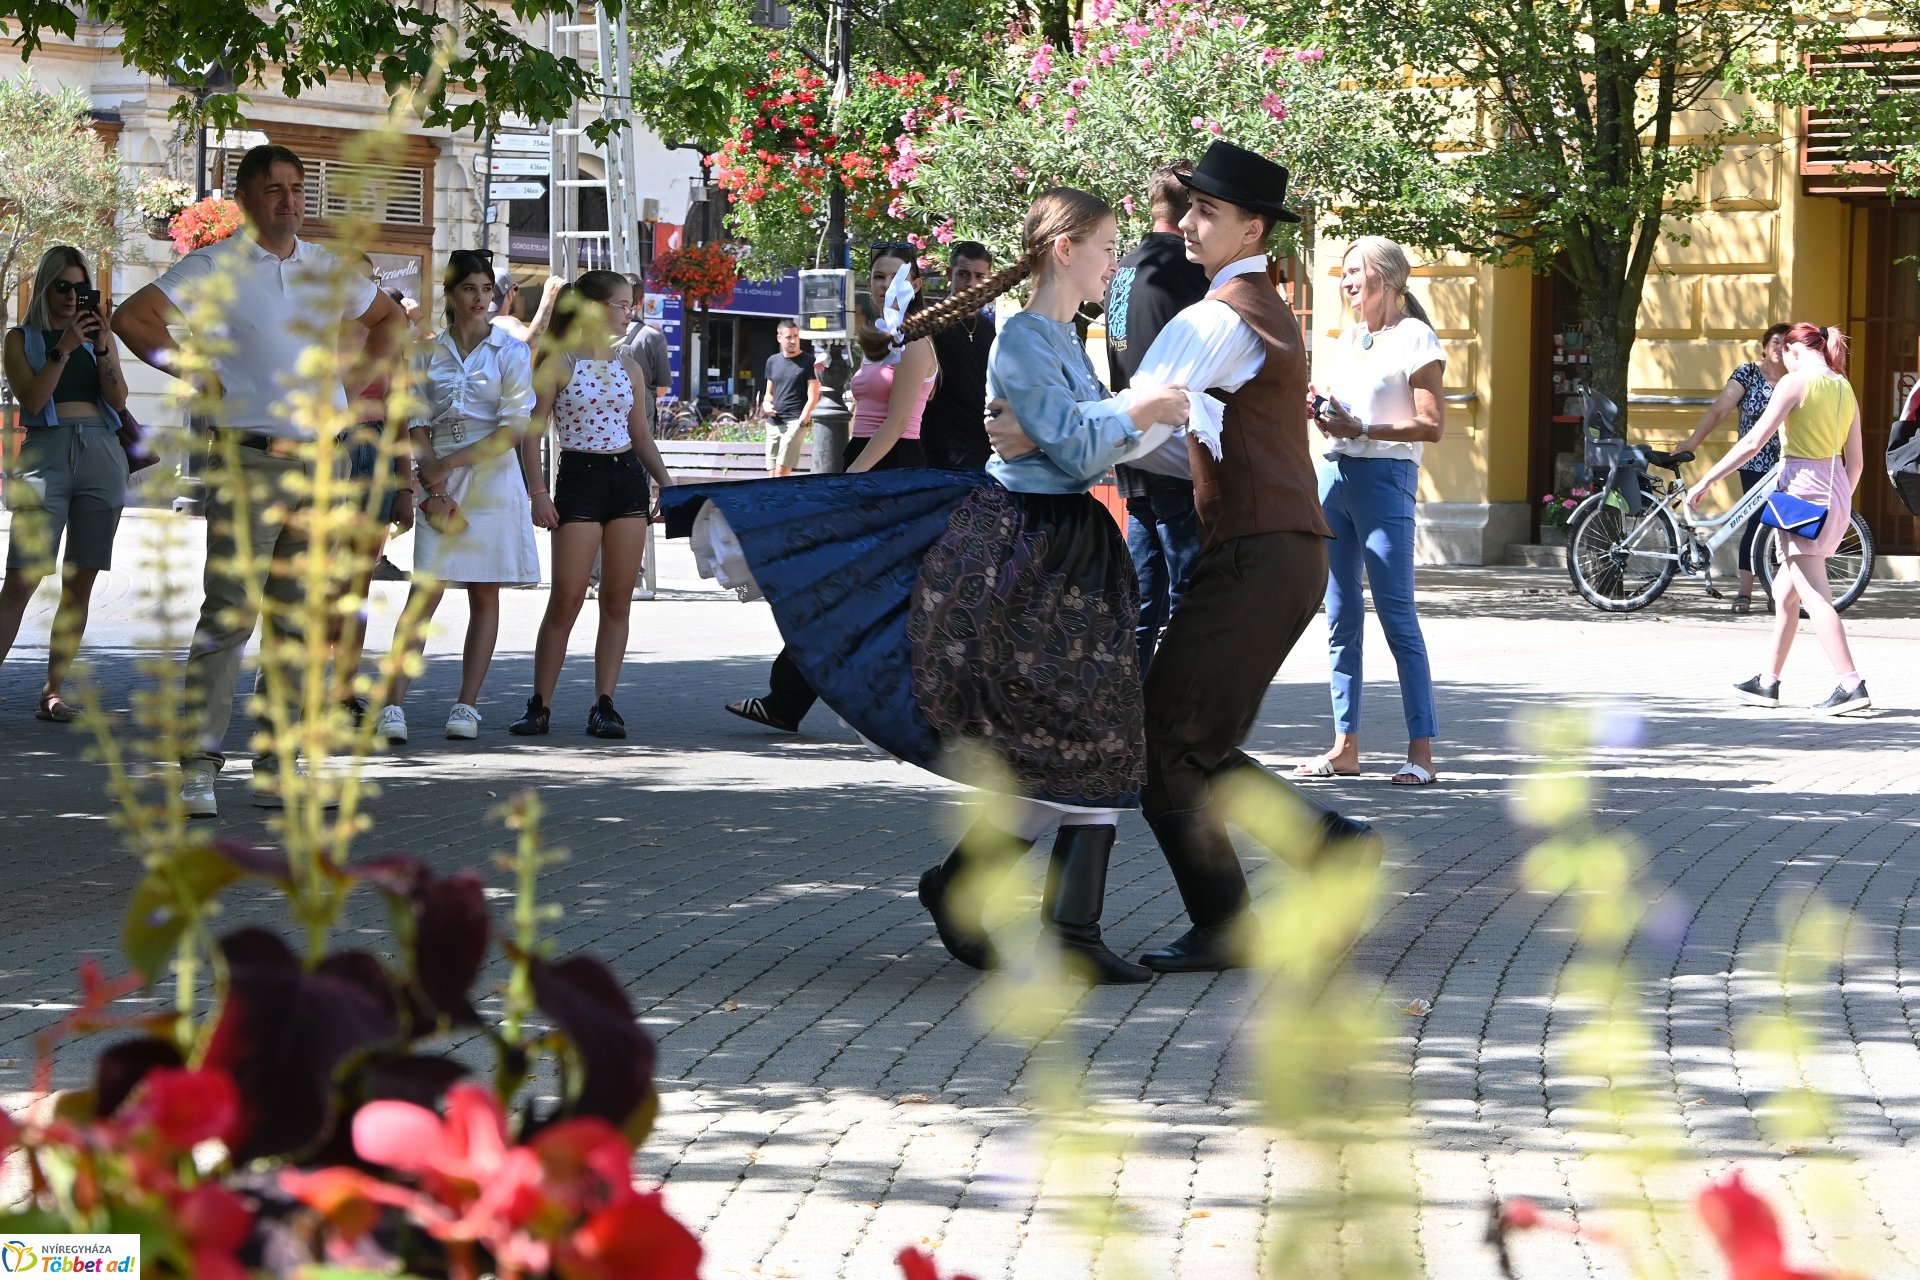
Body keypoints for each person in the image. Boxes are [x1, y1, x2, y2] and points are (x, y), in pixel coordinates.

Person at [668, 189, 1193, 984]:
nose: (1115, 261)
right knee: (1078, 736)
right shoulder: (1022, 337)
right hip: (1032, 550)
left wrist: (1099, 422)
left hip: (1072, 550)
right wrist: (1136, 408)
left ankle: (1003, 903)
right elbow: (1084, 454)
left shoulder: (1057, 337)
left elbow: (1076, 442)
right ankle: (1044, 922)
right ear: (1064, 249)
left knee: (1090, 738)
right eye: (1107, 246)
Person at [987, 143, 1379, 974]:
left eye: (1207, 213)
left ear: (1253, 227)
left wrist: (1039, 425)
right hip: (1271, 551)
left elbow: (1139, 419)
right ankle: (1315, 854)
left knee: (1163, 740)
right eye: (1188, 208)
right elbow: (1157, 429)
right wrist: (1064, 421)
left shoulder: (1214, 317)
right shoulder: (1253, 305)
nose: (1188, 223)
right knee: (1184, 743)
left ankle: (1256, 903)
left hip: (1259, 555)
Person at [114, 144, 404, 819]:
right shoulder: (215, 265)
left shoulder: (325, 268)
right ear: (244, 198)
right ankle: (198, 765)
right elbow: (134, 318)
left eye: (297, 188)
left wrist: (349, 388)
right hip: (249, 461)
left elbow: (391, 321)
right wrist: (196, 374)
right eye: (274, 189)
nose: (289, 200)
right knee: (228, 614)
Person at [724, 246, 938, 733]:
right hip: (868, 463)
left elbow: (899, 422)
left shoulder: (916, 340)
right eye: (877, 277)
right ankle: (790, 699)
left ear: (917, 285)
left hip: (890, 470)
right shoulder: (883, 338)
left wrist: (854, 479)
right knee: (840, 592)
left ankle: (797, 699)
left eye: (894, 277)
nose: (884, 285)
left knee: (853, 593)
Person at [375, 250, 545, 744]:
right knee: (424, 589)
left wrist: (445, 466)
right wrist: (431, 477)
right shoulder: (426, 352)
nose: (480, 299)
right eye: (469, 289)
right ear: (450, 293)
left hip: (490, 479)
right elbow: (414, 416)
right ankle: (392, 705)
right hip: (436, 479)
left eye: (487, 289)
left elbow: (515, 427)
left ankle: (467, 705)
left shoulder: (510, 352)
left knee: (483, 591)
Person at [1294, 237, 1446, 787]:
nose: (1347, 281)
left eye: (1356, 271)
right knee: (1339, 618)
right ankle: (1344, 748)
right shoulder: (1349, 339)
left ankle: (1421, 754)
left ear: (1387, 278)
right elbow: (1348, 413)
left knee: (1397, 616)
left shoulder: (1415, 338)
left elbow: (1432, 425)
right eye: (1344, 272)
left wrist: (1362, 428)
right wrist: (1327, 414)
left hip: (1386, 478)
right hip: (1335, 475)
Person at [508, 270, 675, 739]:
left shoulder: (630, 365)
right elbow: (532, 435)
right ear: (597, 308)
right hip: (578, 479)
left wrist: (667, 485)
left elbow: (641, 435)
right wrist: (537, 493)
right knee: (567, 598)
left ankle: (605, 704)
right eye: (623, 304)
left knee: (618, 599)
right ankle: (539, 704)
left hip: (627, 482)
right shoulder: (558, 362)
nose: (630, 312)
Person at [1687, 323, 1870, 715]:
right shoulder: (1843, 386)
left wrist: (1706, 478)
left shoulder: (1794, 383)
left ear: (1792, 350)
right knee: (1785, 596)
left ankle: (1850, 684)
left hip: (1801, 491)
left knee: (1816, 597)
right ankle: (1767, 683)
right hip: (1835, 490)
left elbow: (1753, 442)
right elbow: (1856, 462)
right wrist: (1838, 503)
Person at [0, 246, 130, 722]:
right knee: (21, 579)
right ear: (44, 286)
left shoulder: (101, 335)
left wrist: (100, 344)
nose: (72, 297)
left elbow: (118, 395)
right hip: (44, 456)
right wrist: (64, 349)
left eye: (80, 288)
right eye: (63, 286)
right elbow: (32, 401)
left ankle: (52, 692)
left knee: (81, 581)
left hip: (101, 453)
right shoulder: (23, 339)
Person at [1105, 163, 1209, 673]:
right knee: (1189, 599)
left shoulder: (1124, 266)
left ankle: (1129, 711)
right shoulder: (1184, 267)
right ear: (1188, 207)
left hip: (1133, 447)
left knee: (1142, 601)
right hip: (1171, 449)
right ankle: (1176, 716)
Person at [329, 257, 418, 722]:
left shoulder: (388, 338)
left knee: (357, 581)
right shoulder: (317, 331)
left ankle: (342, 691)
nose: (364, 287)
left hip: (377, 453)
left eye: (371, 280)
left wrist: (405, 483)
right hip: (328, 453)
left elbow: (398, 410)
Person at [1674, 324, 1791, 613]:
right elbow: (1719, 410)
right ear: (1764, 346)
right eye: (1775, 342)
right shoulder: (1747, 374)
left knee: (1783, 526)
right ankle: (1745, 591)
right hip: (1753, 462)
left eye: (1786, 344)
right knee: (1758, 523)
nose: (1779, 348)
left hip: (1786, 463)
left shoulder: (1794, 380)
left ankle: (1778, 592)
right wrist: (1692, 442)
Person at [919, 242, 996, 470]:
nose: (971, 282)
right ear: (950, 274)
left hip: (982, 447)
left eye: (979, 276)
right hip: (936, 447)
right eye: (964, 274)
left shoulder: (990, 330)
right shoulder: (930, 325)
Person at [760, 318, 821, 477]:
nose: (793, 340)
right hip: (774, 422)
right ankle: (777, 502)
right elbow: (769, 393)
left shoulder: (809, 362)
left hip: (795, 421)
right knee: (772, 474)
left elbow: (813, 396)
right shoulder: (772, 361)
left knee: (781, 472)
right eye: (789, 337)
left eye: (796, 336)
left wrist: (802, 421)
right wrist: (766, 405)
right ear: (779, 338)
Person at [618, 273, 673, 431]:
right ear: (642, 301)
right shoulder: (653, 338)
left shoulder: (597, 336)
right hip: (640, 427)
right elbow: (661, 391)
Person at [491, 271, 565, 344]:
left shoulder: (482, 323)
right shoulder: (503, 322)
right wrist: (549, 297)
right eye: (515, 288)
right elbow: (530, 340)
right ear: (510, 294)